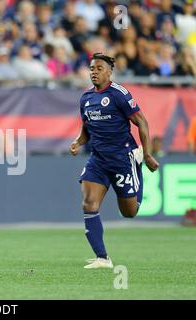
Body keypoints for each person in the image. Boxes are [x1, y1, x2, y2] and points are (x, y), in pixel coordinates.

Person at [70, 53, 159, 269]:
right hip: (98, 159)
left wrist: (146, 154)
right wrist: (79, 141)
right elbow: (87, 127)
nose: (94, 72)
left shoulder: (119, 94)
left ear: (110, 72)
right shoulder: (86, 99)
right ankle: (103, 258)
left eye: (99, 68)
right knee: (88, 203)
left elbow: (142, 123)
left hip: (122, 158)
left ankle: (136, 164)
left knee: (129, 212)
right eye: (92, 68)